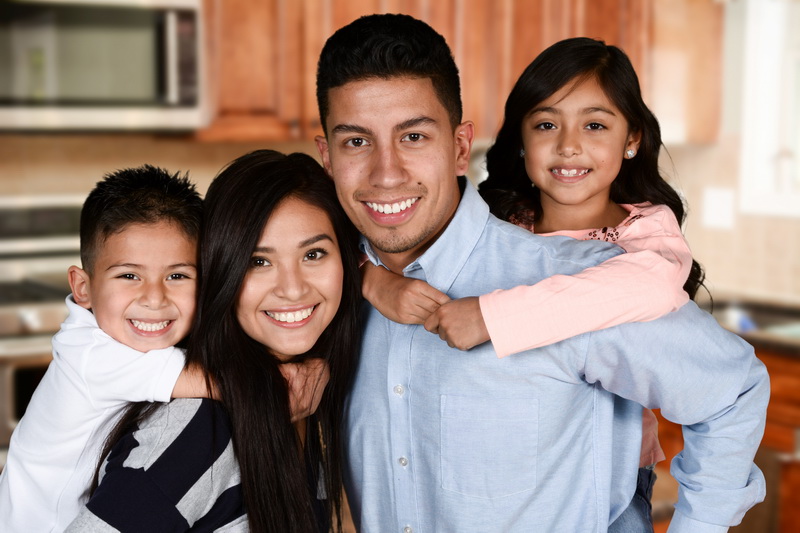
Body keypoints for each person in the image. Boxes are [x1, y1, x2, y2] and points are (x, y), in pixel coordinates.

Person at [314, 13, 769, 532]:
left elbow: (732, 392)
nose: (386, 172)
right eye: (356, 142)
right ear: (326, 156)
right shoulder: (321, 291)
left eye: (414, 136)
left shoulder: (585, 282)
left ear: (461, 147)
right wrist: (365, 279)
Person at [66, 150, 362, 533]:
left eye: (314, 253)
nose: (292, 289)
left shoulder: (307, 400)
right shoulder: (198, 432)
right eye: (258, 261)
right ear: (218, 272)